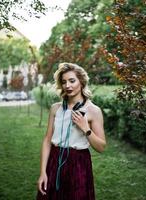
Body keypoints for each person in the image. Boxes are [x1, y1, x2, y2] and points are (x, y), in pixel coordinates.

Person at [36, 63, 106, 200]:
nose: (67, 86)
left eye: (72, 81)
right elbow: (47, 140)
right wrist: (43, 172)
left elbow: (101, 147)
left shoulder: (93, 111)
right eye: (63, 82)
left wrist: (86, 128)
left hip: (79, 163)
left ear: (81, 81)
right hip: (54, 160)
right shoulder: (55, 108)